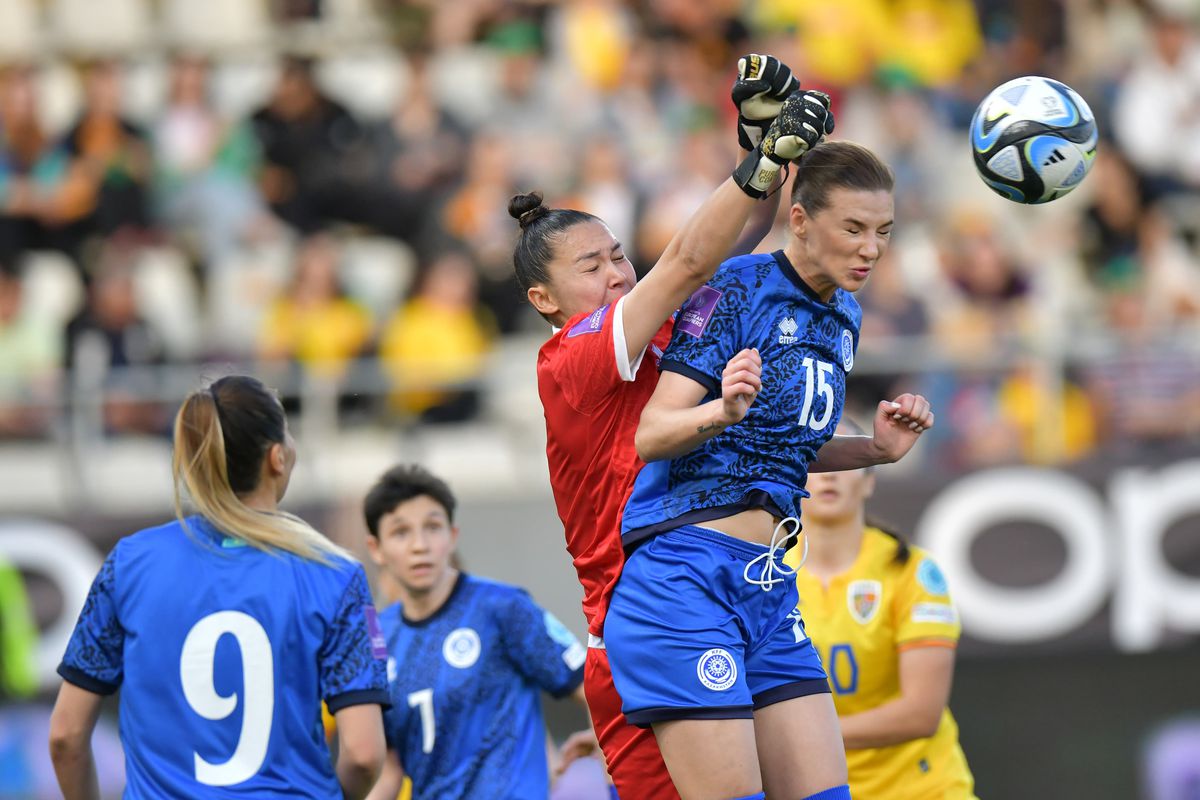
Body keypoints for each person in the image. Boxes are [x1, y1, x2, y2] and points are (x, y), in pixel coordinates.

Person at [514, 54, 832, 798]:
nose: (619, 274)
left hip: (722, 593)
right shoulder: (574, 360)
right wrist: (760, 164)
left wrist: (766, 161)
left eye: (620, 256)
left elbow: (728, 263)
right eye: (592, 266)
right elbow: (687, 262)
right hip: (646, 617)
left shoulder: (656, 336)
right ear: (542, 298)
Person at [609, 140, 934, 800]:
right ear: (802, 220)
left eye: (883, 232)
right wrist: (721, 411)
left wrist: (873, 450)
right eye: (853, 228)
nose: (871, 248)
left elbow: (787, 450)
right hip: (685, 579)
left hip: (769, 588)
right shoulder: (736, 287)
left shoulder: (844, 314)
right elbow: (651, 434)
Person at [48, 375, 388, 799]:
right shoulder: (335, 575)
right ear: (277, 457)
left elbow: (65, 735)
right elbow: (363, 754)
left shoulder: (130, 562)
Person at [362, 464, 593, 800]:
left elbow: (592, 686)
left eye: (432, 527)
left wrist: (608, 765)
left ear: (452, 536)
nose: (419, 545)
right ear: (376, 548)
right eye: (401, 532)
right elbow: (390, 767)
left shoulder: (502, 608)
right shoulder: (378, 638)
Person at [786, 419, 977, 800]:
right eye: (817, 460)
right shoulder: (763, 574)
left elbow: (920, 713)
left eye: (846, 464)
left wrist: (800, 738)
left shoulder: (910, 571)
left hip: (922, 789)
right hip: (815, 789)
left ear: (869, 481)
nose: (830, 476)